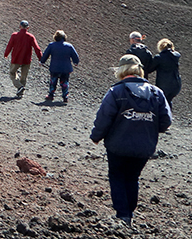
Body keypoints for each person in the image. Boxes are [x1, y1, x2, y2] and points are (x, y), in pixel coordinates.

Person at [90, 54, 172, 224]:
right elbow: (166, 121)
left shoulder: (116, 92)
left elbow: (104, 118)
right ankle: (129, 212)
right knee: (132, 177)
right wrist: (149, 126)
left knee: (117, 175)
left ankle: (123, 214)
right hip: (144, 147)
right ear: (140, 70)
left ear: (121, 70)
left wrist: (96, 136)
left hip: (117, 145)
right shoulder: (157, 93)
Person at [39, 29, 80, 102]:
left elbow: (46, 54)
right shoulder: (69, 46)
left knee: (53, 82)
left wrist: (42, 61)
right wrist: (75, 62)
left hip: (54, 68)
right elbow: (75, 56)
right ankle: (65, 96)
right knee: (64, 82)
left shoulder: (51, 45)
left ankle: (51, 95)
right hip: (66, 68)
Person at [4, 20, 42, 97]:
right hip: (26, 59)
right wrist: (40, 58)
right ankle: (20, 92)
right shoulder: (31, 37)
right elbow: (37, 48)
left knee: (12, 72)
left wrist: (6, 54)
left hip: (16, 58)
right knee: (24, 76)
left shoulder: (14, 35)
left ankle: (19, 87)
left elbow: (10, 46)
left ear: (20, 26)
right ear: (28, 28)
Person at [154, 38, 181, 106]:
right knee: (168, 101)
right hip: (176, 84)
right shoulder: (176, 57)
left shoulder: (159, 58)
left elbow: (150, 68)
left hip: (164, 85)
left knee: (162, 103)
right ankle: (169, 115)